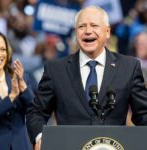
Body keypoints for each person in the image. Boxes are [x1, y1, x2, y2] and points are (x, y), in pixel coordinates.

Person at [26, 6, 147, 150]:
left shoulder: (129, 67)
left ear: (107, 32)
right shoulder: (56, 69)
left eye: (94, 25)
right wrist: (40, 136)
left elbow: (143, 114)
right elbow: (36, 112)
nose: (88, 31)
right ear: (76, 32)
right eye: (82, 26)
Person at [0, 31, 34, 150]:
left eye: (3, 49)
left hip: (21, 145)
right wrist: (12, 96)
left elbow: (35, 111)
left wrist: (24, 89)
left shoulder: (19, 77)